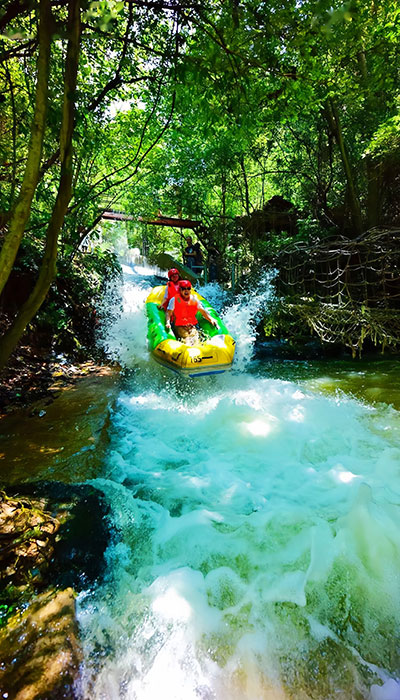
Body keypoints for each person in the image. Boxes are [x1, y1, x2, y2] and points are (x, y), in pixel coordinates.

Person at [166, 279, 218, 345]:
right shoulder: (174, 300)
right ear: (180, 290)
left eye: (188, 288)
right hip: (179, 326)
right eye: (184, 289)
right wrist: (167, 322)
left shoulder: (194, 299)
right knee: (187, 340)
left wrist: (211, 320)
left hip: (191, 326)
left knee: (196, 340)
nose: (186, 291)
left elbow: (202, 311)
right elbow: (168, 312)